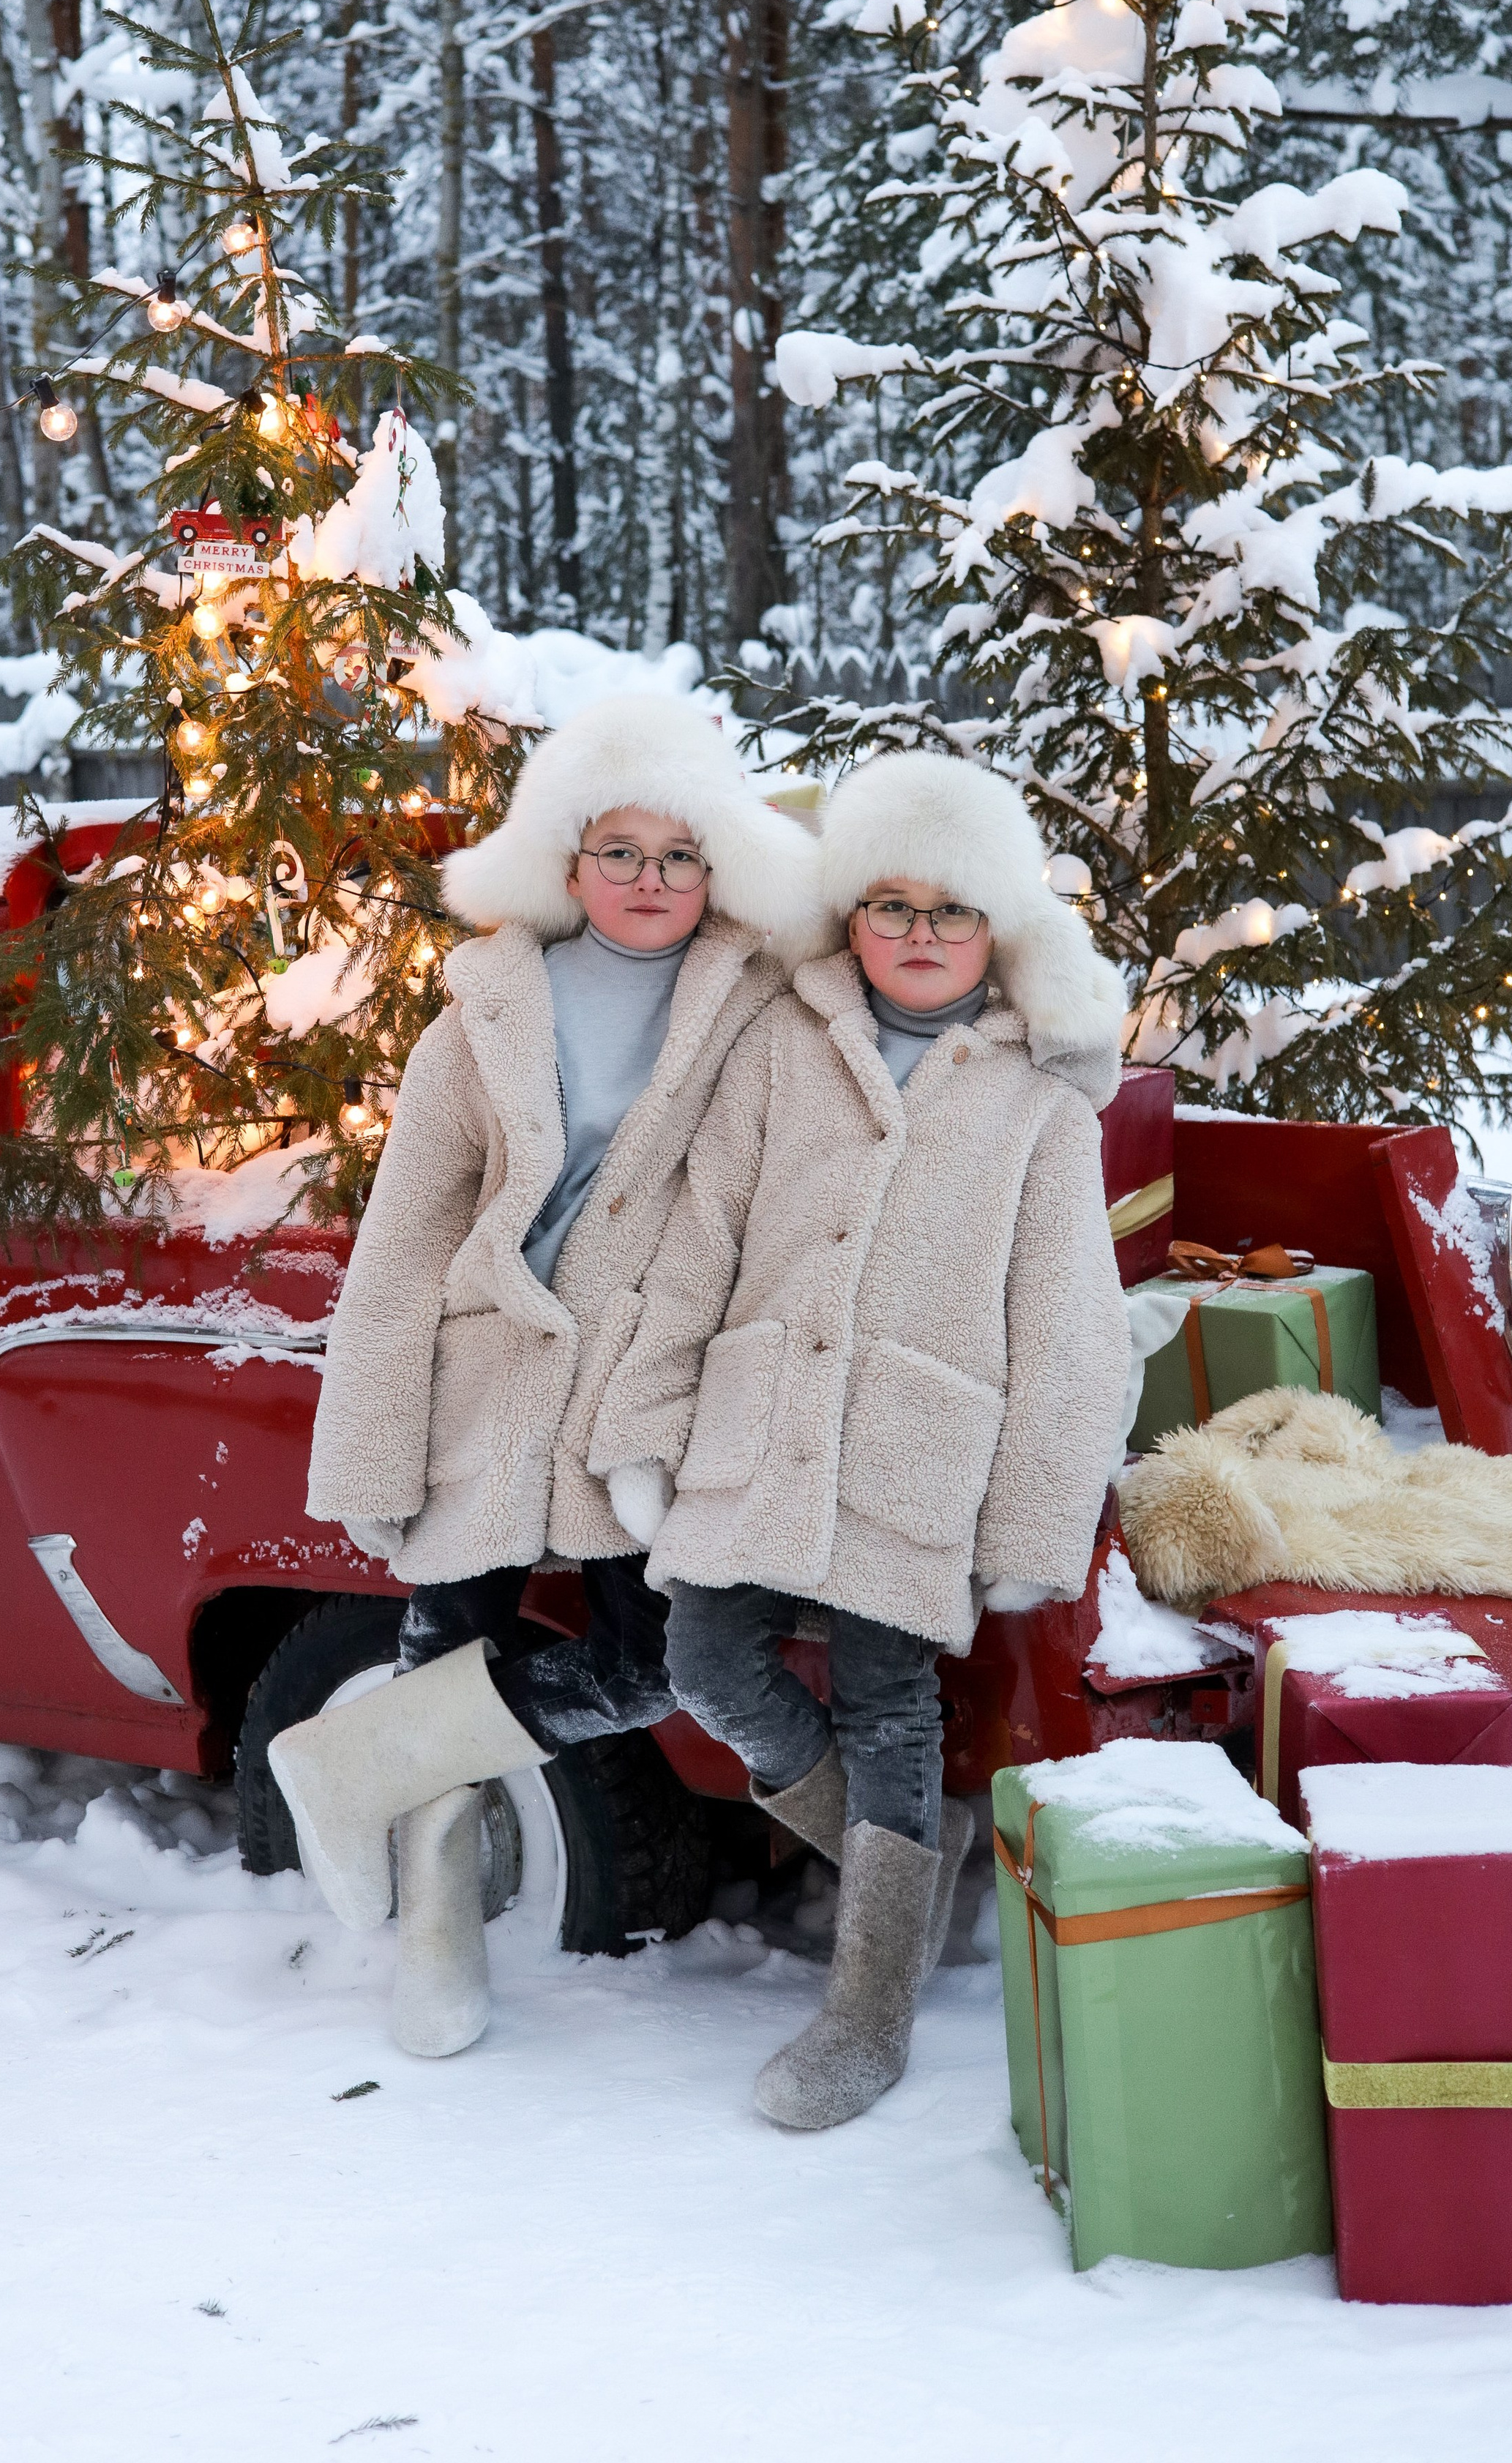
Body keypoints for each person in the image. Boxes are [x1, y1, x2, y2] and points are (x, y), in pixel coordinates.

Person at [270, 692, 822, 2058]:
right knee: (447, 1626)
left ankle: (355, 1759)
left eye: (682, 854)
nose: (650, 881)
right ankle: (436, 1925)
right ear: (566, 861)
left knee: (653, 1654)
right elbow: (403, 1246)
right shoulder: (483, 1017)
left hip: (644, 1379)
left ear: (721, 870)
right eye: (619, 850)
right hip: (490, 1364)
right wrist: (372, 1440)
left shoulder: (756, 1013)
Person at [588, 751, 1131, 2130]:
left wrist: (1032, 1521)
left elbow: (1071, 1330)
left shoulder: (1040, 1107)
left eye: (950, 910)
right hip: (759, 1420)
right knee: (703, 1649)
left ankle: (868, 2007)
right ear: (852, 913)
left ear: (996, 925)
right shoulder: (784, 1041)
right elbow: (694, 1240)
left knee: (889, 1699)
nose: (919, 934)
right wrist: (647, 1416)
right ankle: (913, 1871)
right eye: (890, 904)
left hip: (916, 1444)